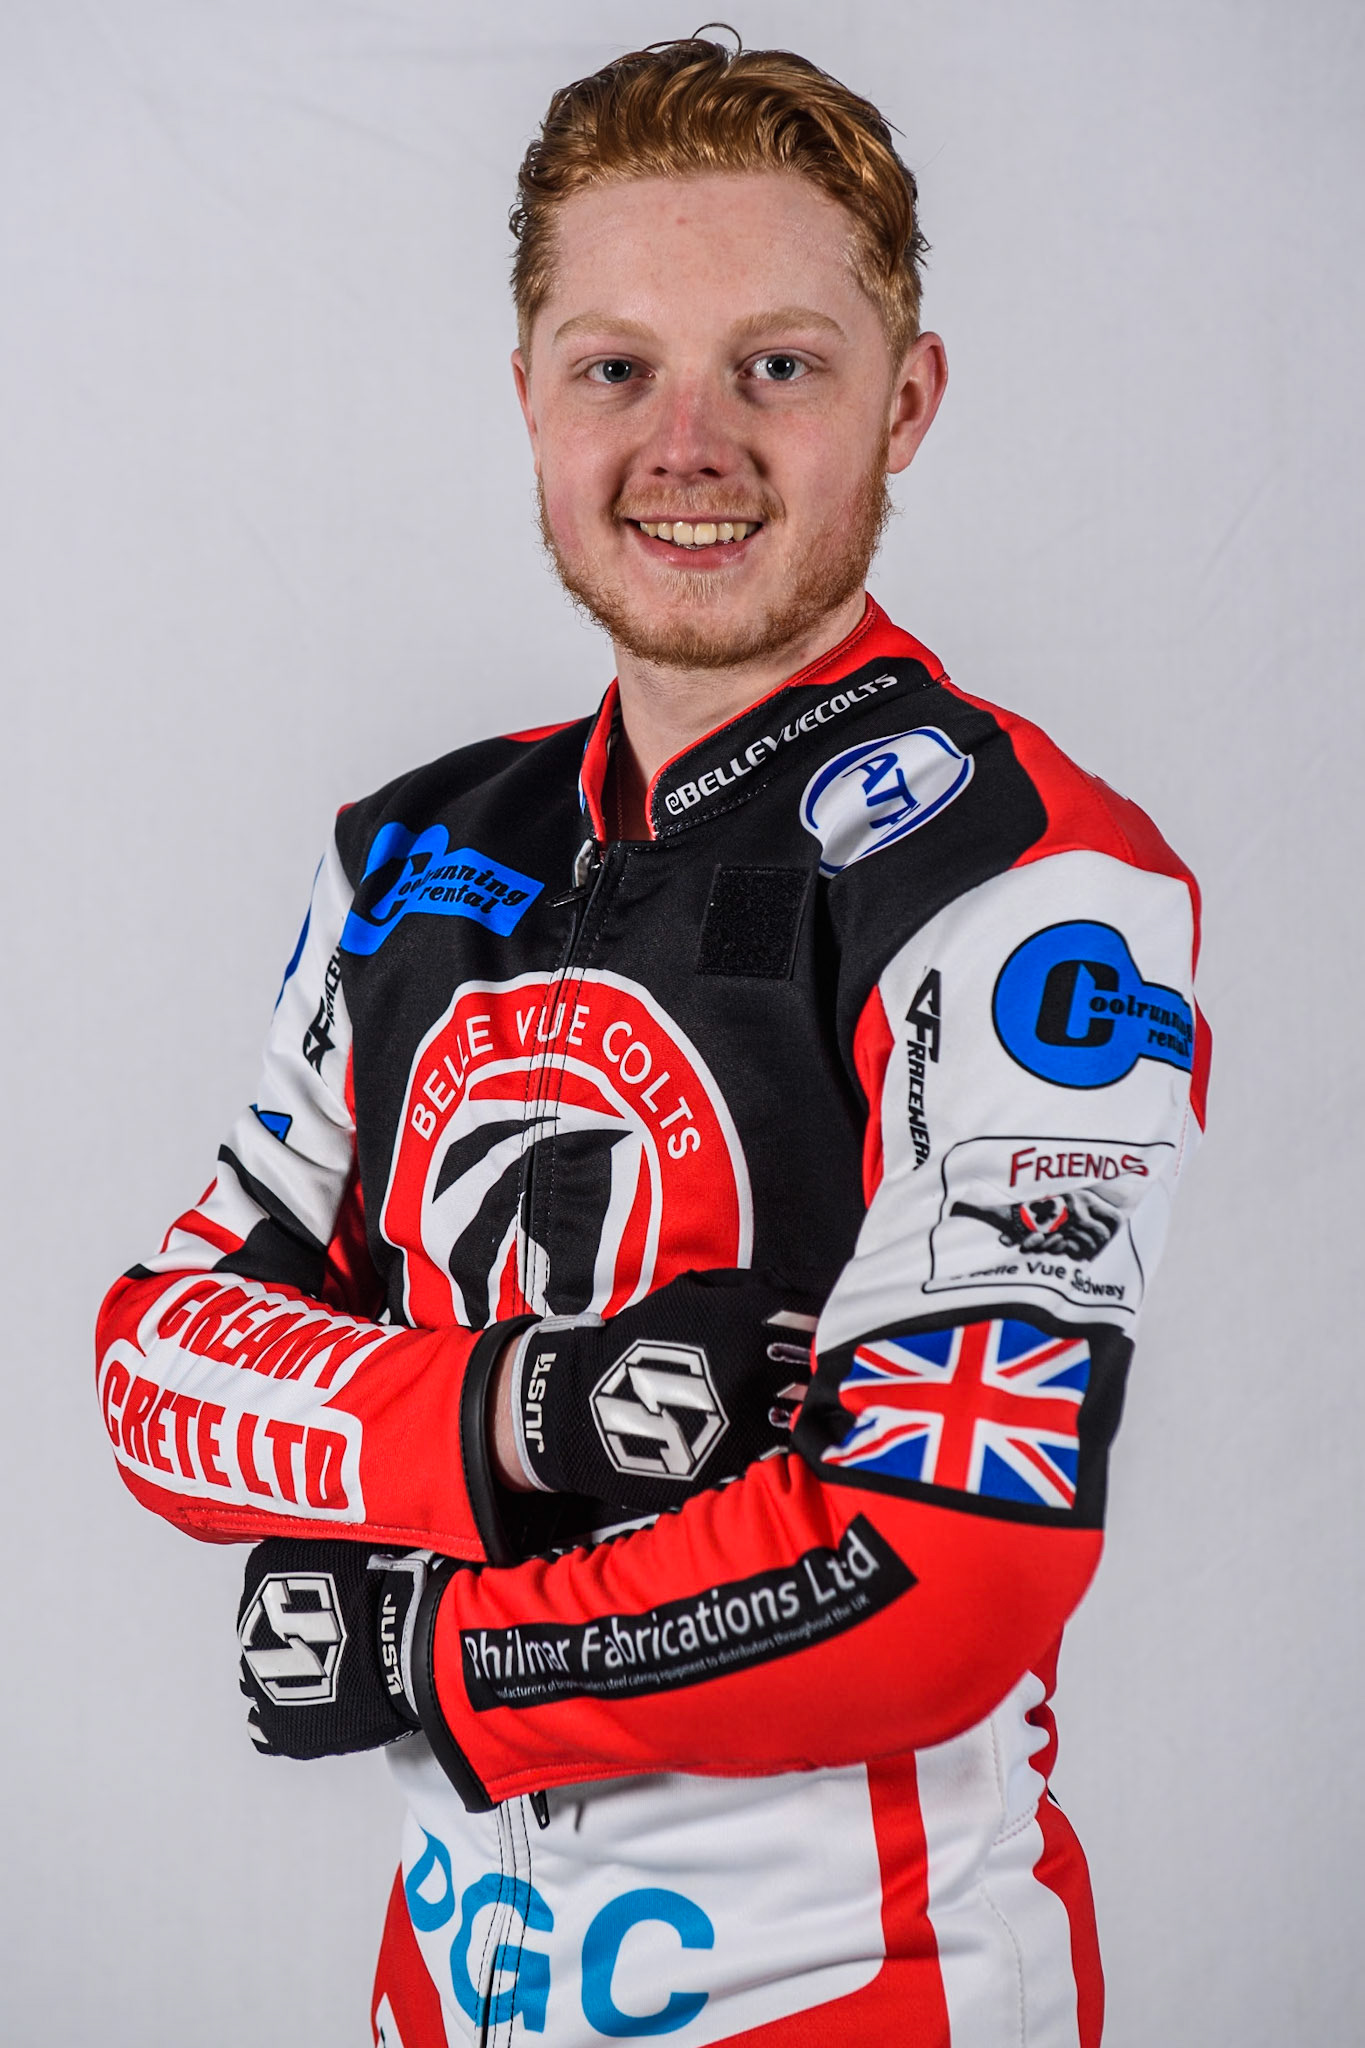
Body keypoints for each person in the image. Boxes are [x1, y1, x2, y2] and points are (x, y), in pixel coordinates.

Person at [95, 34, 1209, 2047]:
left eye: (774, 365)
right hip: (441, 1987)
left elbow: (938, 1570)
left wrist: (437, 1651)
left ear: (906, 400)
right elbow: (157, 1362)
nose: (686, 440)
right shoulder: (416, 857)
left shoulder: (1032, 884)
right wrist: (527, 1414)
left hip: (867, 2000)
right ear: (524, 397)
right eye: (615, 367)